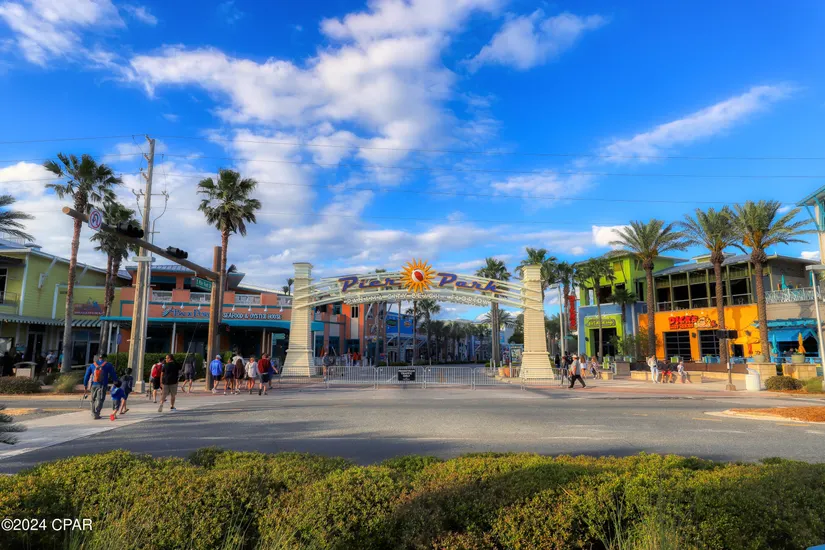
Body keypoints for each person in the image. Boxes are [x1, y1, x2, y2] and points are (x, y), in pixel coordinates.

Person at [83, 354, 118, 420]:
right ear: (105, 358)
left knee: (93, 399)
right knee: (100, 399)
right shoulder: (108, 365)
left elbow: (86, 375)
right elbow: (113, 375)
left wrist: (85, 384)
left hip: (94, 385)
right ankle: (97, 413)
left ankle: (93, 413)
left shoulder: (92, 365)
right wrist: (116, 383)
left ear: (98, 358)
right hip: (102, 385)